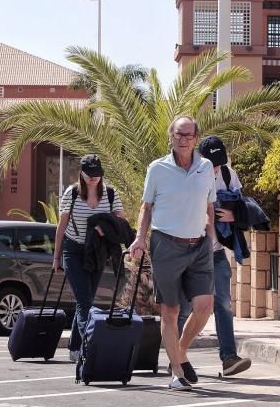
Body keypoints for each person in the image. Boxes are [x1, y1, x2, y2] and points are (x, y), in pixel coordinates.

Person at [129, 115, 216, 391]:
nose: (183, 140)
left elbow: (210, 206)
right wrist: (140, 238)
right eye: (178, 135)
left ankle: (178, 351)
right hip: (166, 243)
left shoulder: (206, 167)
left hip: (199, 244)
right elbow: (146, 207)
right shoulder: (157, 168)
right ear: (171, 136)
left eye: (188, 135)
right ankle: (177, 372)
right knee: (171, 310)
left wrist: (211, 238)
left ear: (196, 138)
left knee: (205, 306)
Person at [178, 136, 252, 377]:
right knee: (186, 307)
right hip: (189, 252)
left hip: (217, 252)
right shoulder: (187, 174)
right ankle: (178, 357)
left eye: (220, 162)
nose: (217, 167)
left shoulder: (229, 175)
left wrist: (233, 216)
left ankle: (228, 358)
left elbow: (241, 207)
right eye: (213, 162)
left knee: (223, 305)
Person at [53, 154, 126, 363]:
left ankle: (74, 348)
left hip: (97, 251)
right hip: (73, 249)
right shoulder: (72, 193)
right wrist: (56, 257)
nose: (94, 178)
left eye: (97, 174)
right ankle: (88, 347)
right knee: (85, 302)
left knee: (85, 301)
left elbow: (121, 222)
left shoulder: (110, 194)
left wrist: (105, 228)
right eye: (89, 174)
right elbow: (62, 225)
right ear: (81, 173)